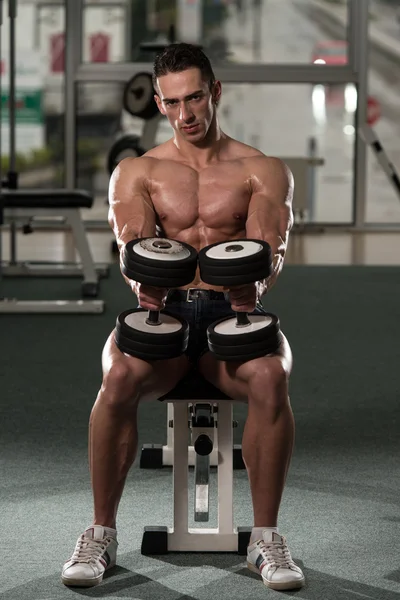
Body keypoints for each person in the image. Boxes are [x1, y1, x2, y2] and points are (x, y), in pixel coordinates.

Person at [61, 42, 305, 592]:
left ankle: (265, 540)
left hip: (233, 318)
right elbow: (133, 242)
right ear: (157, 102)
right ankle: (100, 533)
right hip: (162, 316)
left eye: (194, 98)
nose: (185, 114)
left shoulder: (261, 168)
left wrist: (253, 283)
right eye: (171, 103)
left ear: (215, 92)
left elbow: (271, 244)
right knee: (118, 375)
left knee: (271, 375)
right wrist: (144, 281)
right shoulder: (138, 170)